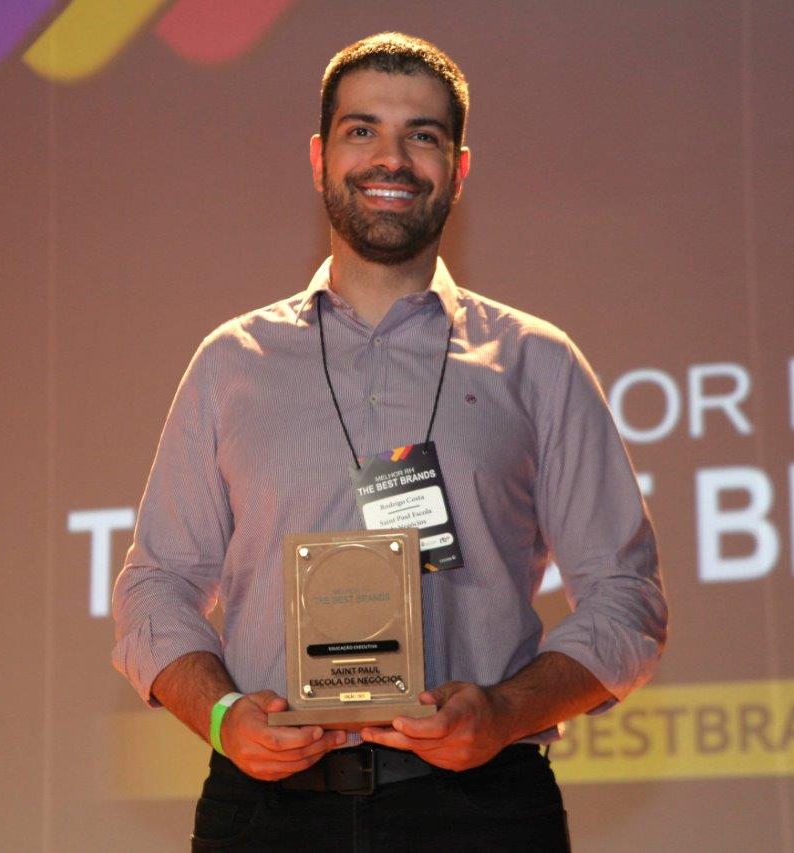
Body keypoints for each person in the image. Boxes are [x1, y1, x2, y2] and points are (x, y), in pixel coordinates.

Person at [112, 32, 667, 851]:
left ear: (458, 169)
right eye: (362, 130)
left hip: (482, 811)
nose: (392, 159)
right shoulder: (232, 363)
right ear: (319, 158)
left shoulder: (537, 362)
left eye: (423, 135)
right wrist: (224, 716)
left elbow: (626, 597)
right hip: (266, 814)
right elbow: (156, 585)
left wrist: (504, 710)